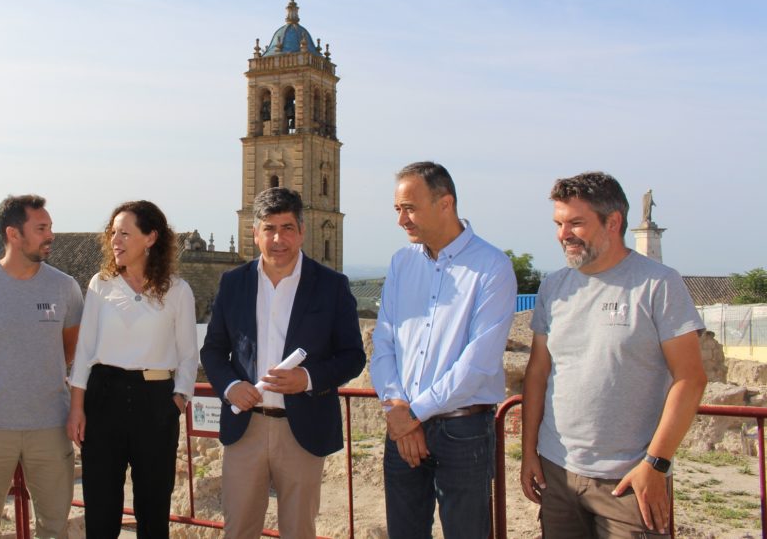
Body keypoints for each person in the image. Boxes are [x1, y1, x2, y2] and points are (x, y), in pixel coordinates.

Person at [520, 172, 706, 537]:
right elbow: (538, 373)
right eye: (559, 223)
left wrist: (655, 463)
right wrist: (529, 453)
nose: (563, 234)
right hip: (557, 473)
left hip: (629, 480)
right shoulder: (553, 287)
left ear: (614, 222)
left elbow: (691, 378)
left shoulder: (659, 284)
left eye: (576, 223)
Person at [201, 187, 366, 539]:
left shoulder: (332, 285)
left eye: (288, 228)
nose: (279, 238)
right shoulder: (233, 283)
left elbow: (353, 356)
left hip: (302, 429)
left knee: (299, 531)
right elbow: (213, 351)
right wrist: (231, 387)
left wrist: (307, 378)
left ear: (302, 231)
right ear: (255, 233)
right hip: (246, 428)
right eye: (270, 228)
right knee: (238, 530)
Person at [369, 161, 516, 539]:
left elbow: (478, 362)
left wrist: (411, 414)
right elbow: (384, 340)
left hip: (462, 430)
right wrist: (398, 408)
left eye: (410, 208)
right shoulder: (402, 263)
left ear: (445, 204)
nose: (401, 220)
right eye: (397, 209)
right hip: (403, 424)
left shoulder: (491, 267)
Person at [0, 195, 83, 539]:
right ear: (13, 234)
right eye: (41, 228)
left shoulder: (65, 288)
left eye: (50, 226)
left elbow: (70, 351)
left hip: (50, 425)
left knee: (54, 528)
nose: (51, 234)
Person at [66, 200, 198, 539]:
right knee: (101, 506)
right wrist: (77, 407)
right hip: (103, 397)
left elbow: (188, 354)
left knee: (154, 510)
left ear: (151, 237)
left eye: (125, 233)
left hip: (156, 402)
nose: (115, 241)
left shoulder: (178, 291)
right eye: (113, 233)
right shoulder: (101, 284)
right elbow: (84, 350)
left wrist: (179, 399)